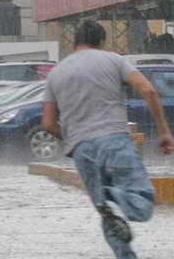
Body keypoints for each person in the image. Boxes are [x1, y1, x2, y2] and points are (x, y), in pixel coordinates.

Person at [42, 20, 174, 259]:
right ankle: (115, 197)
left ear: (74, 43)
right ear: (102, 41)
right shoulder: (113, 60)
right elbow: (149, 90)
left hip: (82, 150)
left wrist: (74, 139)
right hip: (114, 140)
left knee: (108, 215)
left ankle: (121, 241)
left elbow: (48, 124)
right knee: (142, 200)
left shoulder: (56, 73)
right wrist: (164, 131)